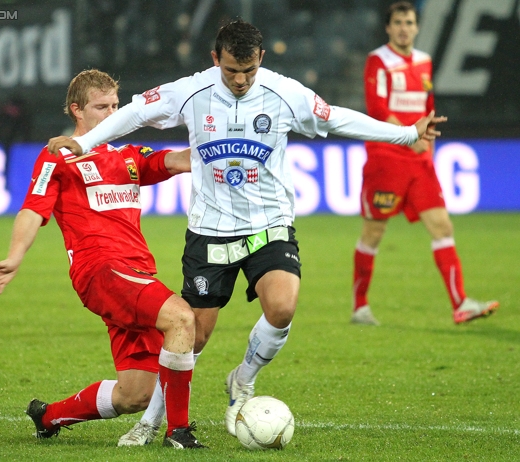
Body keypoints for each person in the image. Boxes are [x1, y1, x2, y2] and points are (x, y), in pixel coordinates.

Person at [46, 19, 446, 443]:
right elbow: (134, 113)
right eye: (232, 71)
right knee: (191, 337)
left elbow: (337, 118)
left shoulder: (284, 92)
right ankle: (151, 420)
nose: (240, 80)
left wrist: (405, 133)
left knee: (283, 307)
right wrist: (86, 144)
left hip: (268, 225)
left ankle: (244, 377)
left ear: (262, 60)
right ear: (216, 59)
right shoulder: (192, 90)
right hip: (210, 232)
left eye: (249, 71)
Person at [0, 69, 206, 449]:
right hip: (101, 271)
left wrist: (222, 143)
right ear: (77, 110)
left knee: (134, 394)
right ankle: (179, 433)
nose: (112, 114)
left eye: (116, 106)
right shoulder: (59, 156)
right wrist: (14, 256)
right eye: (101, 107)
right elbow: (32, 210)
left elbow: (177, 161)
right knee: (183, 318)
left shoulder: (127, 158)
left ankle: (48, 416)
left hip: (133, 274)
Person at [350, 1, 499, 326]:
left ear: (417, 27)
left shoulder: (424, 61)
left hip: (420, 160)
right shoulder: (379, 60)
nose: (404, 28)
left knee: (443, 226)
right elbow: (377, 108)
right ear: (389, 28)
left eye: (409, 22)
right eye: (398, 22)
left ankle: (460, 304)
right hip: (387, 157)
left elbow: (427, 104)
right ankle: (360, 307)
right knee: (374, 232)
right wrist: (408, 135)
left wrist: (427, 138)